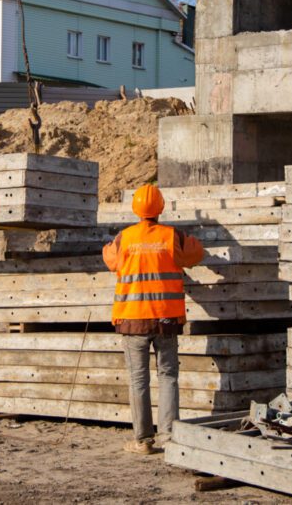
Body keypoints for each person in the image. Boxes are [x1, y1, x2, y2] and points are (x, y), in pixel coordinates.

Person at [102, 184, 205, 454]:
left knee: (139, 380)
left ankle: (142, 441)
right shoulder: (173, 237)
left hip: (133, 321)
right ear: (161, 208)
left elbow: (109, 259)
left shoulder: (124, 238)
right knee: (168, 376)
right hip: (166, 319)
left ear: (135, 209)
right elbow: (197, 253)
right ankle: (169, 437)